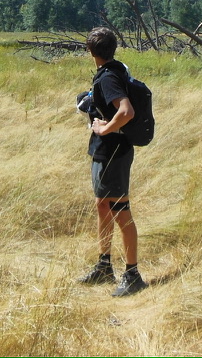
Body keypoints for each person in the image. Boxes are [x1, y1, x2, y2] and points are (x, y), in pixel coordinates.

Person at [77, 26, 148, 297]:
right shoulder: (117, 69)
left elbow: (126, 111)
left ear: (90, 51)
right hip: (106, 151)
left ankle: (132, 275)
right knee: (103, 205)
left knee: (121, 211)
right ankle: (104, 265)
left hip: (113, 152)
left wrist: (105, 129)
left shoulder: (108, 77)